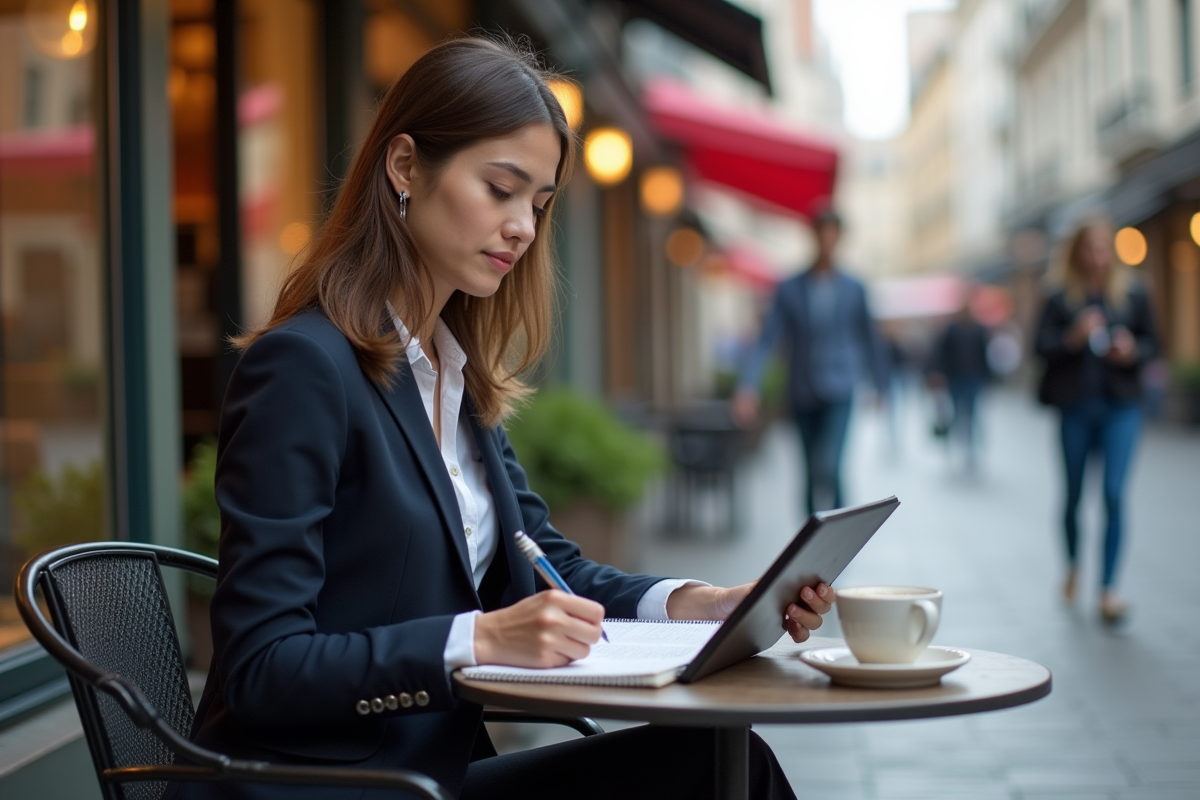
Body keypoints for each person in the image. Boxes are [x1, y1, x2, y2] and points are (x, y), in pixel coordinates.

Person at [168, 38, 834, 800]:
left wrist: (703, 606)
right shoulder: (303, 369)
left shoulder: (454, 376)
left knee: (722, 759)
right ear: (405, 167)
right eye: (500, 188)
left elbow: (549, 567)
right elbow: (260, 669)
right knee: (713, 771)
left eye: (539, 205)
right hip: (327, 783)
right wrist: (476, 640)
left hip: (433, 772)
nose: (523, 226)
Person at [1034, 219, 1158, 625]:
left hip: (1121, 407)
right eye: (1090, 249)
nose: (1098, 257)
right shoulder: (1059, 297)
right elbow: (1040, 347)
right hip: (1075, 408)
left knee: (1114, 494)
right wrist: (1072, 336)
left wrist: (1132, 350)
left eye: (1104, 248)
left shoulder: (1133, 294)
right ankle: (1072, 564)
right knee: (1073, 497)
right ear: (1077, 253)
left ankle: (1108, 589)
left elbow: (1154, 342)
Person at [733, 208, 889, 515]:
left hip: (842, 387)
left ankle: (839, 535)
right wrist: (748, 386)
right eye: (822, 234)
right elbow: (767, 339)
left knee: (829, 465)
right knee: (807, 470)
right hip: (803, 390)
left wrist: (881, 385)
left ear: (841, 239)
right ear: (814, 237)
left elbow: (870, 339)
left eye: (834, 234)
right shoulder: (790, 287)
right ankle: (807, 543)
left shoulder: (854, 288)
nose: (828, 241)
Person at [926, 294, 993, 470]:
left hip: (973, 378)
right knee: (956, 414)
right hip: (955, 378)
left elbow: (983, 355)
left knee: (971, 414)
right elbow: (940, 353)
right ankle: (955, 445)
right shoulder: (951, 330)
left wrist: (988, 377)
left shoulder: (979, 330)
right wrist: (937, 373)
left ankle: (969, 449)